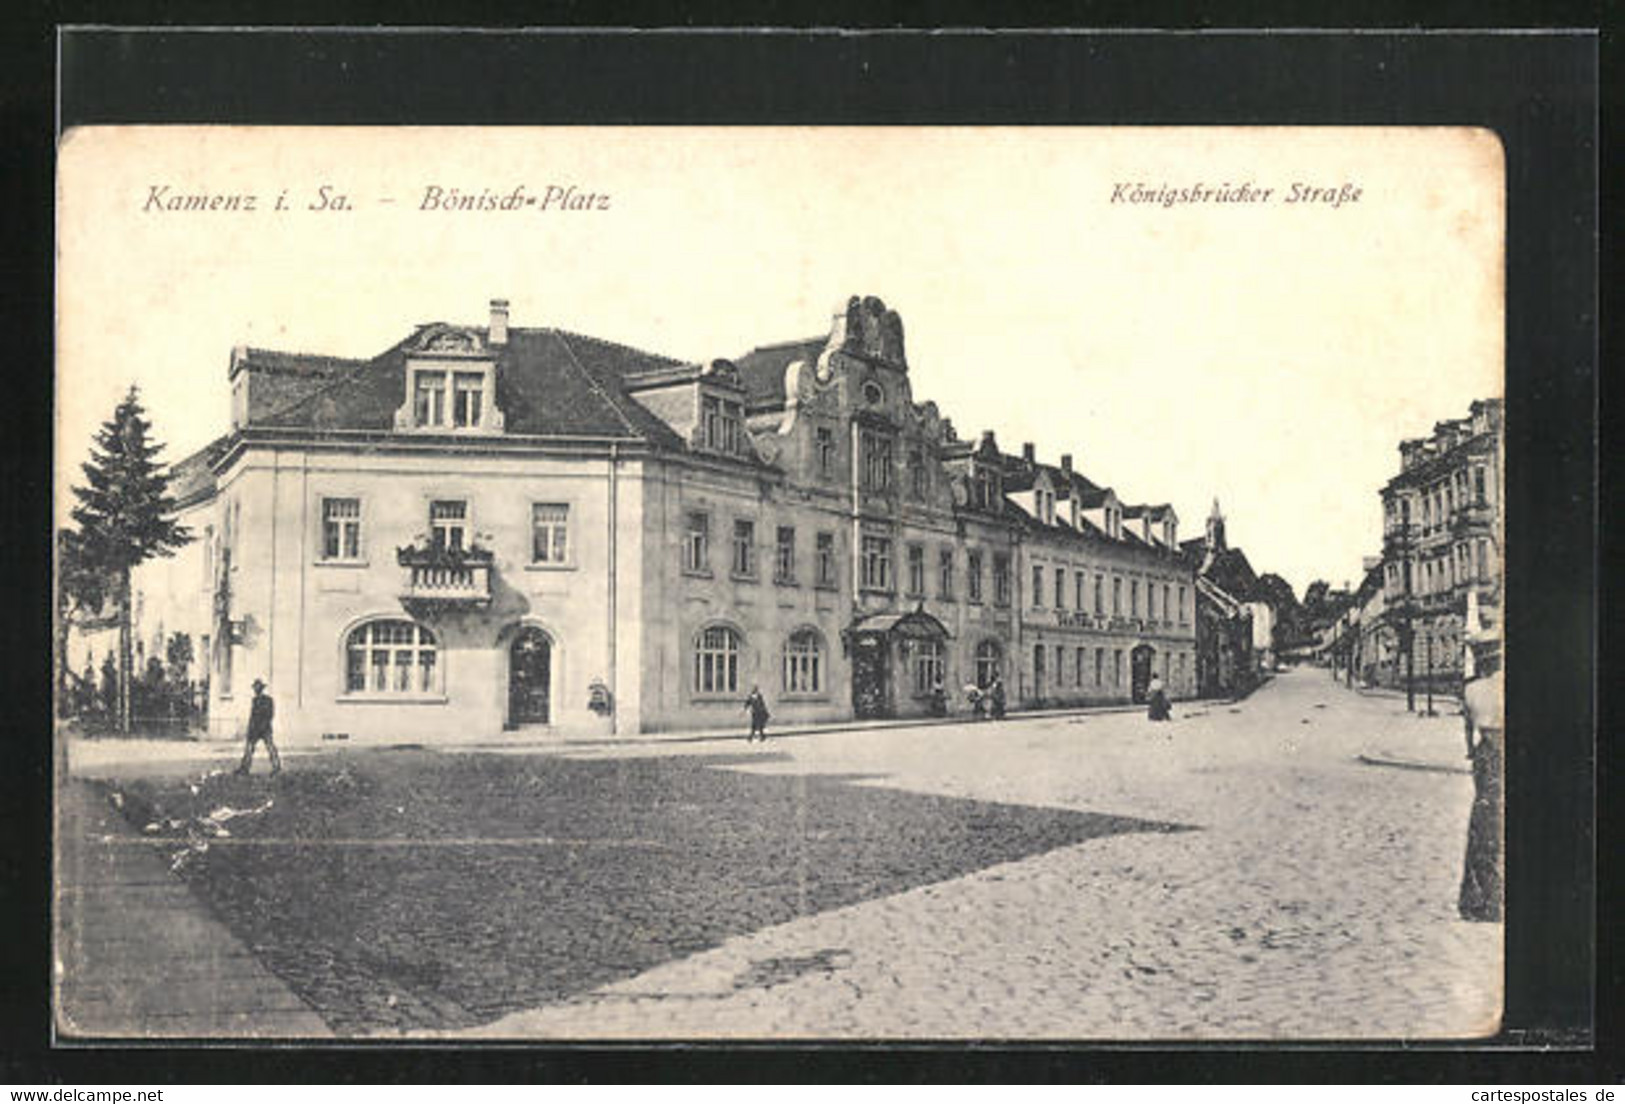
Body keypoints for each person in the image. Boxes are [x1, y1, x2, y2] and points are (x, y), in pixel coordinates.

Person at [1458, 633, 1503, 922]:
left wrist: (1472, 754)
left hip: (1485, 752)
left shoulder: (1471, 690)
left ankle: (1479, 900)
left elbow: (1467, 732)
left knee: (1483, 824)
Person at [235, 678, 281, 776]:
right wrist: (250, 729)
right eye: (255, 688)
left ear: (261, 689)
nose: (256, 690)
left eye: (257, 688)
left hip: (264, 729)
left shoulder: (268, 700)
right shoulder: (254, 700)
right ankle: (244, 768)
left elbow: (270, 714)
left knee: (270, 747)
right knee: (249, 748)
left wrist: (263, 726)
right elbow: (252, 716)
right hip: (255, 730)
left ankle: (276, 767)